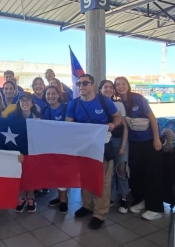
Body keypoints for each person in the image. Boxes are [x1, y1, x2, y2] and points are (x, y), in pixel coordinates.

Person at [63, 74, 122, 230]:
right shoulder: (73, 104)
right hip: (83, 149)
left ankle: (100, 214)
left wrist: (112, 125)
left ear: (93, 85)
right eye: (78, 83)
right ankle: (87, 206)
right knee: (85, 179)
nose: (81, 85)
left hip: (102, 147)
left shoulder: (104, 101)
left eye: (85, 83)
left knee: (103, 181)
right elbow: (68, 126)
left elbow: (118, 118)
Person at [114, 76, 164, 221]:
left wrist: (156, 138)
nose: (120, 86)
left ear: (128, 86)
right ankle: (140, 200)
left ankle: (156, 208)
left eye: (123, 84)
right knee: (135, 173)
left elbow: (152, 117)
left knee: (152, 174)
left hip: (149, 141)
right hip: (133, 143)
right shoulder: (118, 103)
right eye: (117, 84)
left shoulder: (138, 98)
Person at [98, 80, 129, 214]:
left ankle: (123, 196)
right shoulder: (96, 104)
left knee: (121, 168)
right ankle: (110, 196)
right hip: (104, 142)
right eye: (106, 87)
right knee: (108, 171)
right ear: (100, 89)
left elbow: (125, 127)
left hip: (118, 140)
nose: (109, 89)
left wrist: (122, 146)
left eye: (111, 87)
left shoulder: (119, 104)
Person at [9, 92, 40, 213]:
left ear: (32, 103)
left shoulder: (37, 117)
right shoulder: (13, 116)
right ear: (19, 103)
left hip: (32, 149)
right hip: (18, 149)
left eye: (28, 100)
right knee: (20, 173)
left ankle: (31, 197)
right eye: (22, 100)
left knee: (30, 174)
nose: (25, 103)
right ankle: (22, 197)